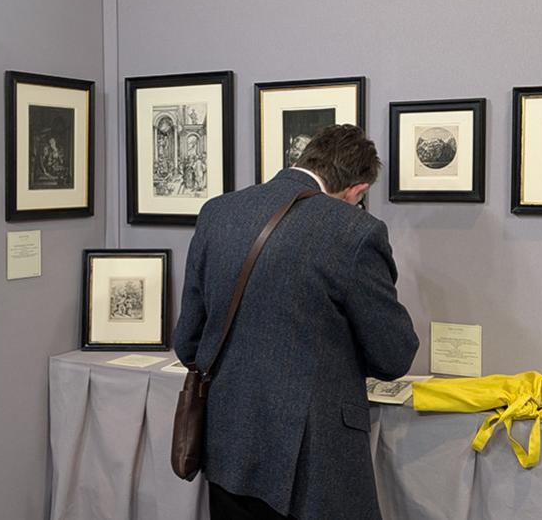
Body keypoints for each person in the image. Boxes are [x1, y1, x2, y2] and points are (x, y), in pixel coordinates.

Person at [173, 124, 419, 520]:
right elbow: (393, 357)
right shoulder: (355, 232)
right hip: (312, 457)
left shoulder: (217, 212)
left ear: (300, 160)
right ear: (357, 191)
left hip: (227, 440)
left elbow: (188, 343)